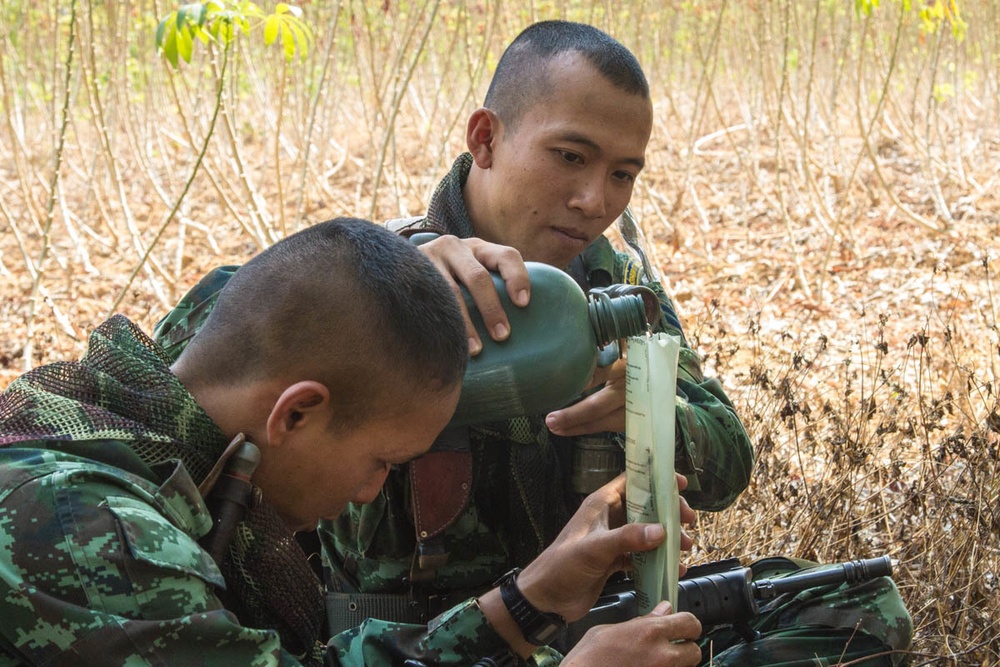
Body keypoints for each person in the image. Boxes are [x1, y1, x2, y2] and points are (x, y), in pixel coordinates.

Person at [152, 22, 912, 666]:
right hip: (408, 640)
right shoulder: (374, 273)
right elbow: (202, 363)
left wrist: (643, 410)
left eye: (623, 174)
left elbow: (728, 462)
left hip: (582, 608)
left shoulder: (610, 286)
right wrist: (403, 275)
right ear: (485, 137)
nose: (595, 201)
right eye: (570, 158)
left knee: (861, 610)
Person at [0, 218, 705, 666]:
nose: (369, 492)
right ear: (296, 413)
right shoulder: (87, 527)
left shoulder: (167, 438)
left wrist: (527, 599)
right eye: (383, 462)